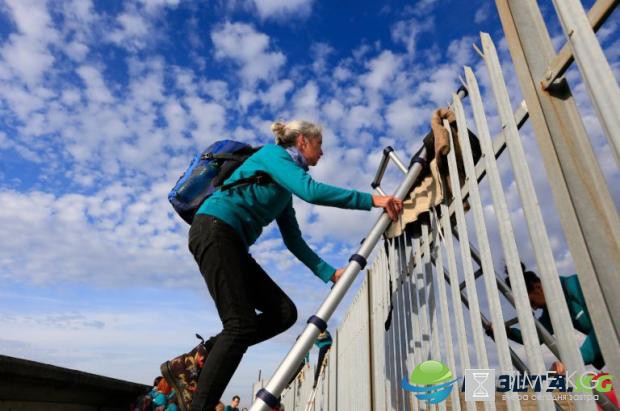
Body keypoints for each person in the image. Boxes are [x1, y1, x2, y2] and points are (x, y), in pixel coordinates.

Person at [168, 119, 402, 411]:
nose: (323, 153)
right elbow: (313, 192)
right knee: (239, 326)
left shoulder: (282, 189)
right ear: (303, 141)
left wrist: (329, 273)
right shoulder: (271, 155)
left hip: (232, 242)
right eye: (320, 145)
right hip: (214, 230)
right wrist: (373, 200)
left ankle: (195, 361)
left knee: (283, 313)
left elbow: (294, 240)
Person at [504, 266, 604, 371]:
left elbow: (605, 324)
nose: (534, 308)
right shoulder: (552, 311)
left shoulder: (575, 285)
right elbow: (534, 337)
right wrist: (506, 331)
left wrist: (573, 361)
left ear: (538, 287)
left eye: (532, 302)